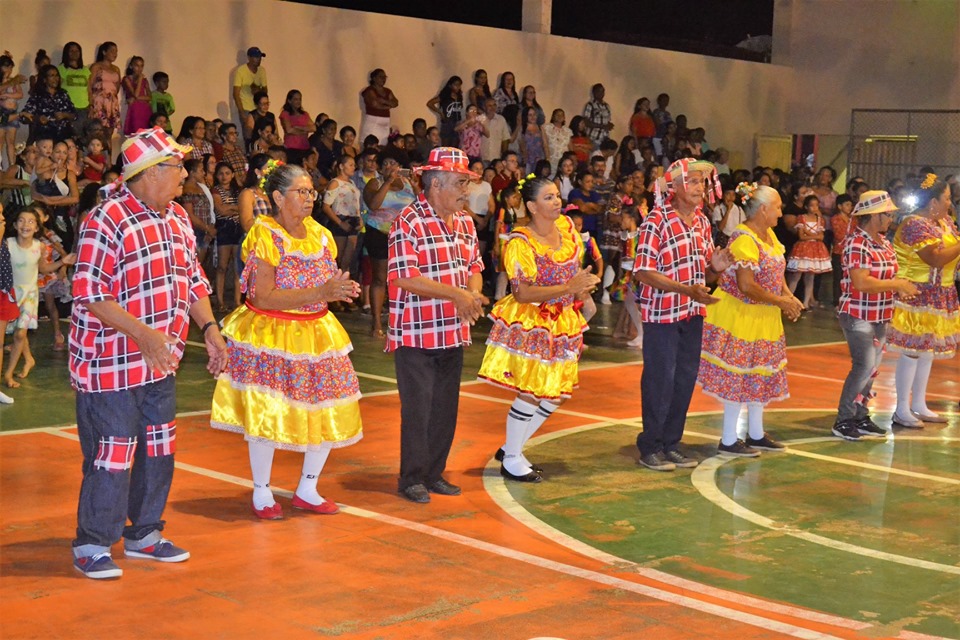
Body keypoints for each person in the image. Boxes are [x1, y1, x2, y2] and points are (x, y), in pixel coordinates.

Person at [69, 128, 226, 579]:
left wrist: (210, 329)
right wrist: (144, 334)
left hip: (160, 361)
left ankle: (144, 533)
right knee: (113, 452)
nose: (185, 174)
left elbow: (192, 280)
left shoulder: (176, 216)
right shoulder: (105, 219)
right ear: (151, 172)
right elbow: (91, 294)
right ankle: (92, 543)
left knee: (158, 448)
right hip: (110, 364)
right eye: (177, 166)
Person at [211, 162, 363, 519]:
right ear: (278, 197)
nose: (310, 198)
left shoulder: (321, 236)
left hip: (317, 333)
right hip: (273, 333)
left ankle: (308, 487)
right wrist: (322, 290)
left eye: (312, 191)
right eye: (301, 192)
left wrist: (339, 289)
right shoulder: (265, 235)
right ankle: (262, 492)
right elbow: (262, 296)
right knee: (269, 408)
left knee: (327, 405)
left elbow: (325, 286)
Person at [478, 175, 598, 482]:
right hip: (533, 321)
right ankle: (513, 458)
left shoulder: (567, 230)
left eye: (557, 195)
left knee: (555, 394)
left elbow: (575, 275)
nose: (557, 201)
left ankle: (510, 448)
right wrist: (568, 287)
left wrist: (581, 290)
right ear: (531, 206)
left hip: (563, 319)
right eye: (548, 197)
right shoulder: (520, 242)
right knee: (532, 390)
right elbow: (522, 293)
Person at [387, 147, 487, 503]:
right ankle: (411, 477)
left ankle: (434, 472)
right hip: (416, 332)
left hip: (451, 331)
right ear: (435, 184)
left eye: (466, 183)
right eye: (460, 183)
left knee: (445, 406)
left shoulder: (465, 223)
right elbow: (404, 277)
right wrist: (457, 295)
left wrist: (472, 296)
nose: (465, 190)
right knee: (418, 408)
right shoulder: (409, 221)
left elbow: (475, 266)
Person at [633, 158, 732, 471]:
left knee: (685, 378)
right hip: (662, 314)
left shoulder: (702, 223)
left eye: (702, 182)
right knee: (660, 379)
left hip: (692, 312)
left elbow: (704, 272)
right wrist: (686, 289)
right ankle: (650, 446)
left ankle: (671, 443)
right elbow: (643, 271)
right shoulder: (656, 220)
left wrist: (715, 269)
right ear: (673, 187)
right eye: (691, 182)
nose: (699, 188)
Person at [697, 183, 803, 457]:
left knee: (759, 372)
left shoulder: (768, 236)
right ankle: (728, 439)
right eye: (778, 207)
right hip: (741, 315)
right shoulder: (745, 239)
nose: (781, 213)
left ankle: (756, 433)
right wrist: (781, 301)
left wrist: (789, 297)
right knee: (739, 374)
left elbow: (776, 273)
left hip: (763, 315)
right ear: (764, 209)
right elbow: (746, 285)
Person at [833, 191, 918, 440]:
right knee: (864, 366)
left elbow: (884, 278)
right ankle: (844, 419)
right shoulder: (857, 242)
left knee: (871, 369)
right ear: (873, 216)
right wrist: (897, 285)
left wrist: (899, 288)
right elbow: (861, 282)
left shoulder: (884, 242)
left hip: (880, 313)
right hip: (858, 313)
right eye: (887, 214)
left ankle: (860, 415)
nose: (891, 218)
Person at [887, 174, 960, 428]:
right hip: (916, 294)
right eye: (947, 199)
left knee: (926, 351)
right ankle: (901, 409)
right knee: (913, 352)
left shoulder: (946, 223)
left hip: (940, 293)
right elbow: (936, 258)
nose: (950, 204)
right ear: (932, 203)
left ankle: (918, 403)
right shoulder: (915, 224)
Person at [4, 206, 76, 389]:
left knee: (20, 333)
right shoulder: (8, 244)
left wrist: (62, 262)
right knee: (16, 333)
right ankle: (28, 359)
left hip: (29, 295)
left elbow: (43, 269)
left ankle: (8, 373)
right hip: (11, 294)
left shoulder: (39, 246)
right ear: (14, 224)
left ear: (37, 227)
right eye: (21, 220)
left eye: (30, 221)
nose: (25, 224)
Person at [364, 146, 417, 337]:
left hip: (403, 236)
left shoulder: (408, 184)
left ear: (400, 165)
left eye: (392, 164)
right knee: (380, 278)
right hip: (379, 233)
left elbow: (423, 205)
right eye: (385, 164)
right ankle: (376, 321)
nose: (388, 167)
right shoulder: (374, 183)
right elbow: (374, 204)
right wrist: (387, 182)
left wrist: (415, 184)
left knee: (404, 279)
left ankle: (401, 320)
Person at [21, 65, 76, 143]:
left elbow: (75, 115)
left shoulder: (63, 94)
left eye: (57, 75)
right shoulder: (37, 96)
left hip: (64, 135)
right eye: (52, 76)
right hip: (45, 137)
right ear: (44, 79)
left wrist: (65, 115)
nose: (56, 78)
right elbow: (23, 117)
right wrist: (38, 118)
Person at [87, 42, 121, 152]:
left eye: (116, 51)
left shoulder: (116, 69)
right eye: (112, 51)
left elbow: (117, 87)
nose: (115, 54)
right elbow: (89, 85)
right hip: (99, 103)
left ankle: (108, 161)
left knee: (109, 133)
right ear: (104, 52)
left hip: (111, 104)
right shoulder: (96, 66)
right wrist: (91, 104)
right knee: (97, 132)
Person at [359, 69, 398, 146]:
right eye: (381, 77)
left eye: (385, 77)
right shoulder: (369, 90)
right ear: (374, 78)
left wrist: (383, 101)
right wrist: (388, 106)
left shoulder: (387, 91)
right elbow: (375, 104)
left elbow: (396, 103)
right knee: (370, 145)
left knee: (383, 146)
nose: (383, 79)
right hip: (373, 121)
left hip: (385, 122)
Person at [426, 76, 464, 147]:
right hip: (447, 123)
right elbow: (430, 103)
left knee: (455, 146)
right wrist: (440, 113)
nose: (458, 87)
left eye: (459, 85)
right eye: (455, 85)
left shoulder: (459, 96)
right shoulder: (445, 95)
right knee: (446, 146)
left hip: (456, 123)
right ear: (450, 85)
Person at [233, 46, 267, 123]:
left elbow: (265, 90)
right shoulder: (241, 71)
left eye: (260, 57)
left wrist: (259, 90)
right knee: (248, 133)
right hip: (246, 108)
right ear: (249, 58)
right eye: (256, 57)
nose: (259, 60)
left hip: (259, 108)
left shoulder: (262, 71)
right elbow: (236, 93)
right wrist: (241, 112)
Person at [583, 83, 613, 148]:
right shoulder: (590, 105)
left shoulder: (606, 106)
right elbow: (586, 122)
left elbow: (607, 120)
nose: (601, 93)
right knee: (594, 157)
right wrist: (602, 126)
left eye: (603, 91)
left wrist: (609, 125)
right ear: (594, 92)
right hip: (593, 138)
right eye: (599, 91)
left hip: (605, 138)